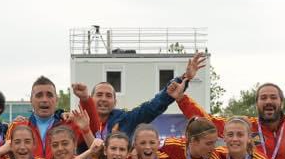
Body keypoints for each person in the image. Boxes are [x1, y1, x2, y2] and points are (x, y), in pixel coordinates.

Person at [171, 65, 285, 159]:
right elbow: (209, 122)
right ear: (257, 103)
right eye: (263, 98)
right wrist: (181, 98)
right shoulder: (245, 126)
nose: (268, 102)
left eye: (273, 97)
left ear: (282, 103)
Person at [72, 52, 206, 139]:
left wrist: (184, 78)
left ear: (115, 102)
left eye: (108, 96)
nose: (103, 99)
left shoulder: (126, 120)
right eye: (99, 95)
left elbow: (152, 107)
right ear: (91, 98)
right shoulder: (79, 120)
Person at [6, 76, 98, 159]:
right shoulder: (17, 127)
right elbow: (7, 156)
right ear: (31, 100)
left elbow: (92, 129)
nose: (44, 100)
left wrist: (85, 99)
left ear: (56, 100)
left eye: (49, 95)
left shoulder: (69, 125)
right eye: (39, 95)